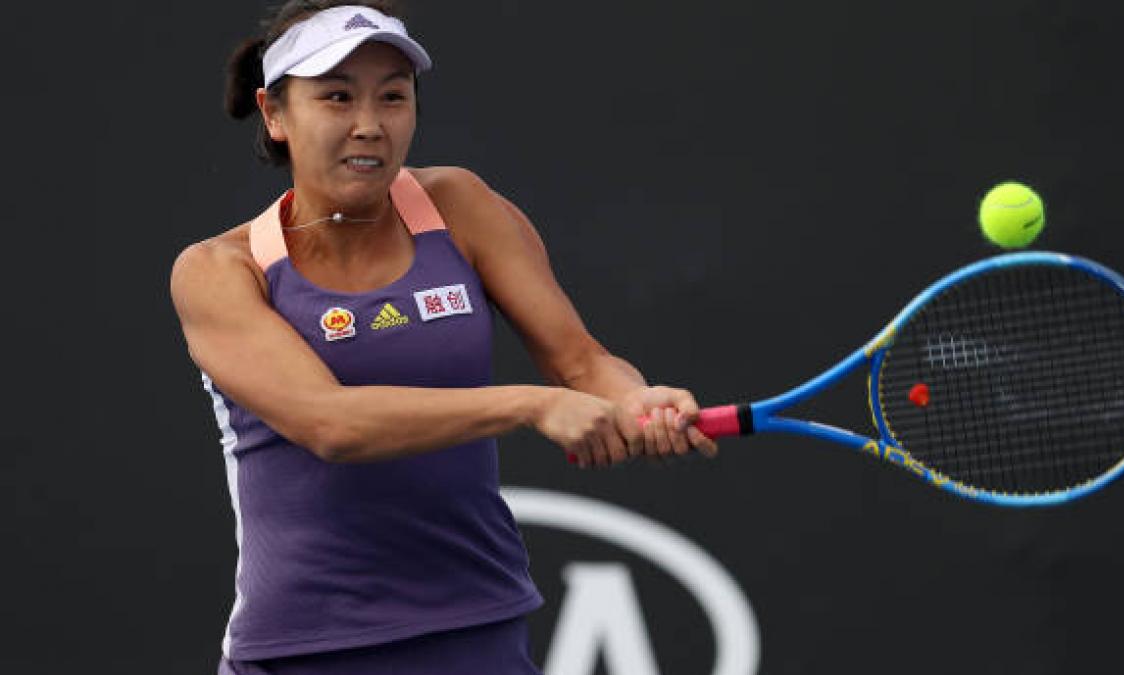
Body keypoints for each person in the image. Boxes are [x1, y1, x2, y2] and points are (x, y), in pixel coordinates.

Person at [169, 2, 717, 673]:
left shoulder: (459, 206)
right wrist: (531, 404)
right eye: (337, 97)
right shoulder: (219, 271)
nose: (369, 124)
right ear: (274, 114)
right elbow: (331, 423)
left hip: (478, 629)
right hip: (304, 650)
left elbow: (581, 361)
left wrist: (634, 399)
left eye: (392, 96)